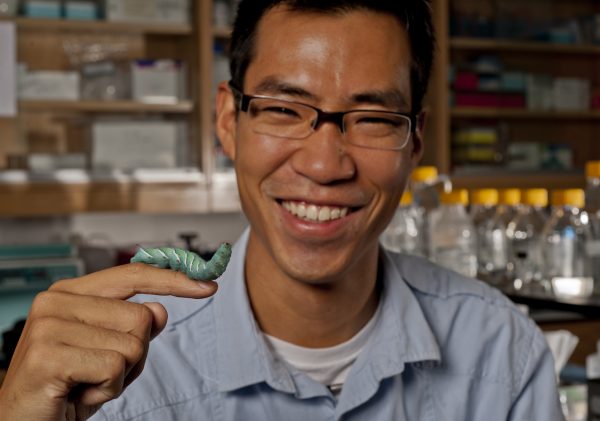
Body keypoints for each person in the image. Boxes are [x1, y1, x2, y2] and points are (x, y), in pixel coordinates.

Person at [0, 1, 564, 420]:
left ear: (414, 141)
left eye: (372, 118)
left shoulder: (502, 352)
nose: (324, 165)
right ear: (228, 121)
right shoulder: (119, 373)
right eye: (284, 109)